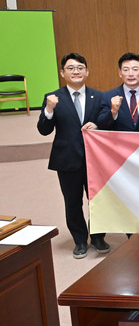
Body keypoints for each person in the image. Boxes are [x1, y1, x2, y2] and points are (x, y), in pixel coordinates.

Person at [37, 53, 110, 259]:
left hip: (95, 160)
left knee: (97, 201)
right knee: (72, 202)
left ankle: (98, 237)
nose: (76, 71)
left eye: (80, 68)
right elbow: (44, 130)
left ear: (87, 72)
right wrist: (49, 109)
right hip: (67, 159)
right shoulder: (52, 97)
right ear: (62, 73)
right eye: (70, 68)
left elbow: (107, 122)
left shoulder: (99, 96)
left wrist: (98, 124)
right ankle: (79, 240)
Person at [97, 52, 139, 132]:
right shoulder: (109, 96)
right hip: (120, 140)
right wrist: (113, 111)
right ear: (120, 73)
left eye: (135, 69)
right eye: (126, 70)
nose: (130, 74)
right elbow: (101, 125)